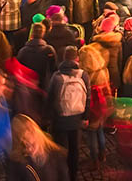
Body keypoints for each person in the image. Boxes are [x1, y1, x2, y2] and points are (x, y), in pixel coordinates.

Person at [48, 46, 90, 181]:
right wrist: (85, 117)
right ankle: (73, 175)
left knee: (61, 150)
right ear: (76, 58)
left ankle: (62, 175)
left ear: (64, 58)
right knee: (74, 150)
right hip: (77, 118)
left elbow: (50, 98)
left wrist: (50, 118)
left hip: (60, 120)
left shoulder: (57, 76)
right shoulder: (83, 75)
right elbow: (88, 97)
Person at [6, 114, 70, 181]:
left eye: (32, 144)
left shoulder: (58, 156)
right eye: (25, 147)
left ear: (36, 133)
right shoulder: (16, 162)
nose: (29, 150)